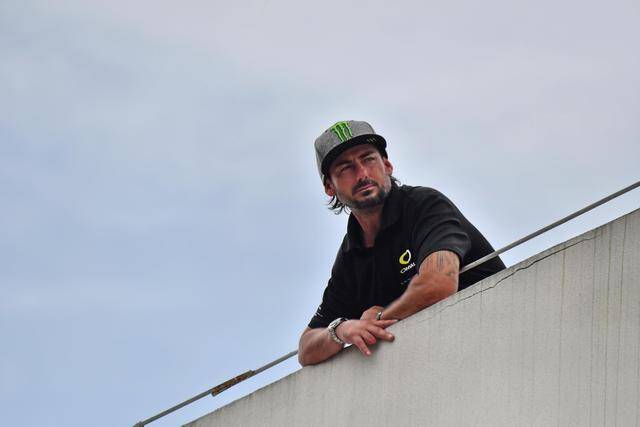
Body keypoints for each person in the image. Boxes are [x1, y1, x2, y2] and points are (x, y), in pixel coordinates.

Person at [297, 120, 506, 366]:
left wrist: (378, 318)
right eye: (346, 168)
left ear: (387, 165)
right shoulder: (351, 253)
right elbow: (306, 349)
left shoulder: (423, 205)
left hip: (499, 338)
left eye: (368, 159)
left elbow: (438, 283)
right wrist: (341, 330)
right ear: (329, 187)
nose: (362, 174)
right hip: (440, 364)